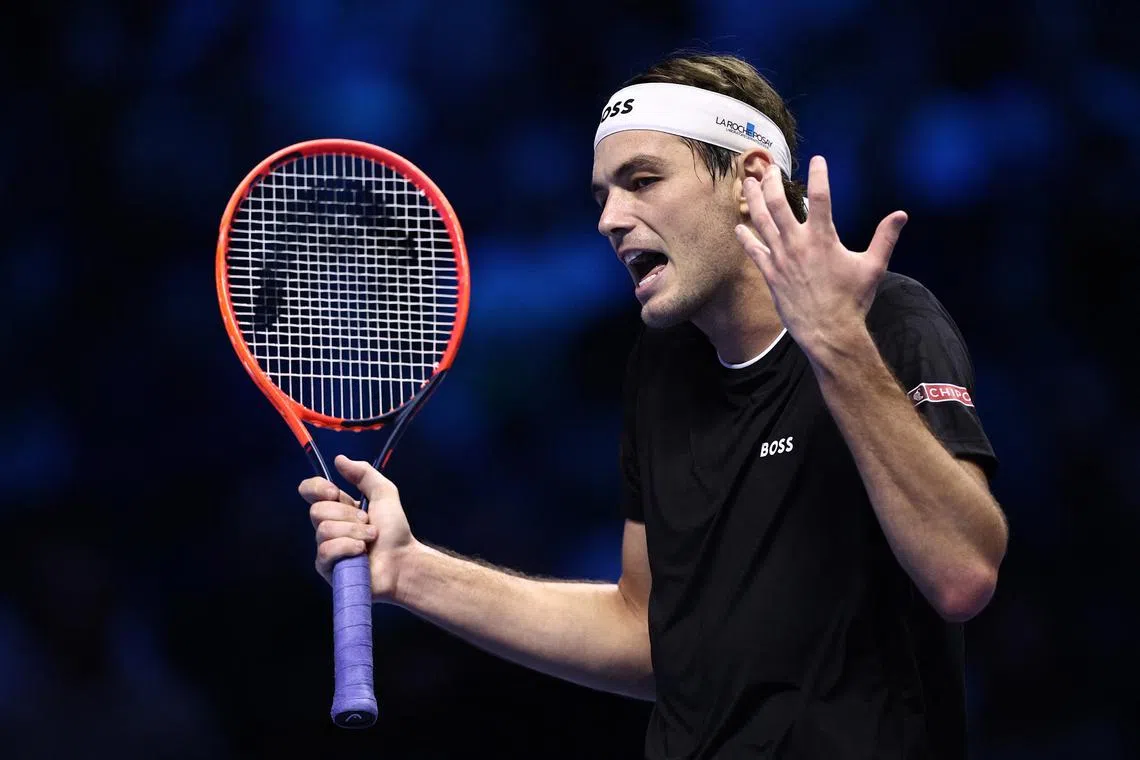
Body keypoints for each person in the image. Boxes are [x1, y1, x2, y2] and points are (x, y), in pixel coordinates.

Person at [304, 52, 1008, 759]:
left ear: (750, 179)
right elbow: (648, 633)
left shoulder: (889, 321)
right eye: (604, 195)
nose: (611, 219)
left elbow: (962, 576)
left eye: (643, 180)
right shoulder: (660, 366)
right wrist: (413, 572)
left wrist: (837, 346)